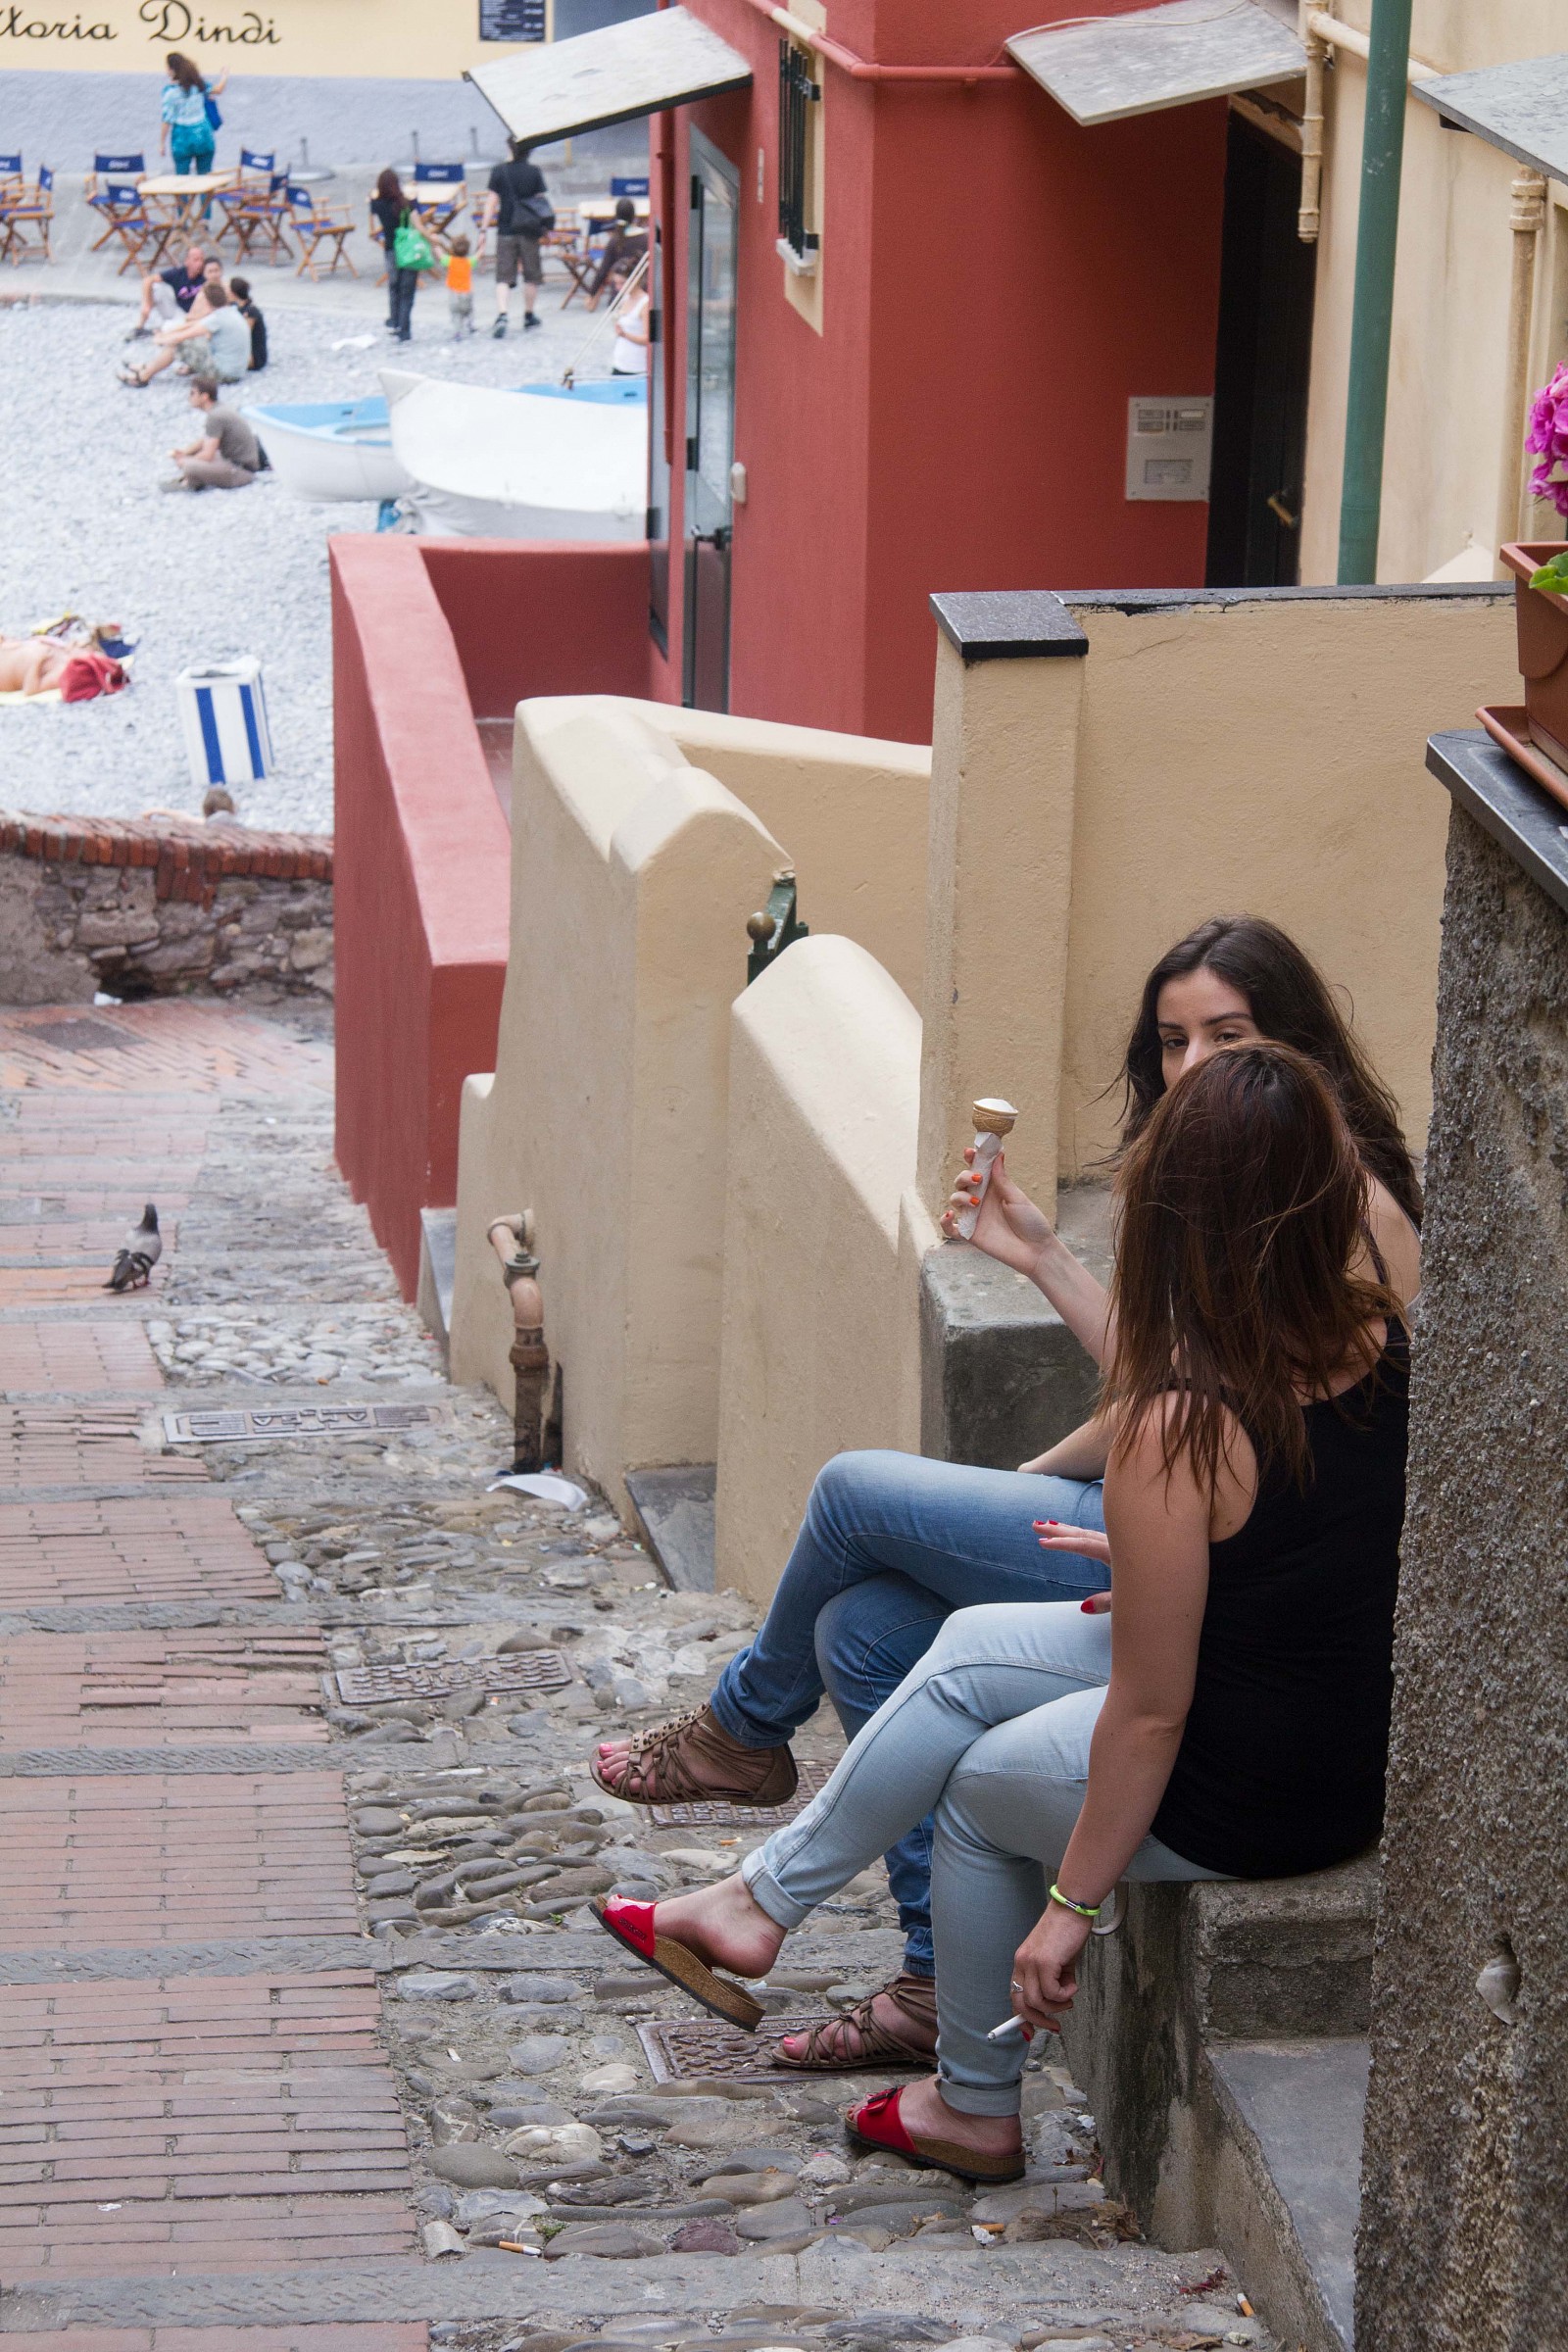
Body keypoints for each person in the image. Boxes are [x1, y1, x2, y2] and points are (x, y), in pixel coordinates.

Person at [593, 914, 1422, 2068]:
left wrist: (1071, 1907)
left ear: (1297, 1051)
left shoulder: (1345, 1213)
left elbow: (1227, 1451)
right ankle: (917, 1973)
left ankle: (743, 1739)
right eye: (1174, 1041)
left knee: (852, 1497)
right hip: (1202, 1557)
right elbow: (1193, 1396)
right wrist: (1043, 1260)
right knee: (867, 1626)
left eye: (1228, 1037)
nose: (1197, 1069)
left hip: (1242, 1651)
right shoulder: (1258, 1218)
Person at [481, 135, 552, 337]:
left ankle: (503, 313)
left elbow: (491, 203)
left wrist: (484, 230)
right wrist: (546, 228)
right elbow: (541, 204)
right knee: (531, 275)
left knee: (504, 275)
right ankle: (529, 315)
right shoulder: (534, 172)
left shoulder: (499, 171)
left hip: (506, 228)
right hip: (529, 230)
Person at [121, 279, 250, 387]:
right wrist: (166, 332)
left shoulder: (216, 318)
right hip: (236, 371)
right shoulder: (230, 312)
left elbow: (184, 336)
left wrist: (160, 339)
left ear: (207, 302)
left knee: (180, 344)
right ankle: (147, 367)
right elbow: (194, 325)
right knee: (197, 341)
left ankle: (143, 377)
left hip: (225, 374)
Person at [163, 377, 261, 492]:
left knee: (189, 466)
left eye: (193, 393)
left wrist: (186, 460)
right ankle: (193, 479)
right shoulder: (220, 409)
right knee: (195, 457)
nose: (189, 397)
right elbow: (207, 438)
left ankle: (190, 482)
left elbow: (207, 455)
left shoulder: (215, 417)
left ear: (204, 397)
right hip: (238, 462)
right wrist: (185, 452)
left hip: (240, 471)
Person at [158, 52, 227, 212]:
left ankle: (184, 218)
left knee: (181, 182)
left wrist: (162, 143)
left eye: (168, 68)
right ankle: (204, 219)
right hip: (204, 135)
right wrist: (224, 75)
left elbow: (166, 119)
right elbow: (218, 89)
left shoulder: (169, 92)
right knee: (205, 179)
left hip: (182, 138)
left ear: (172, 70)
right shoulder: (199, 85)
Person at [373, 168, 426, 343]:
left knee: (394, 287)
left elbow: (373, 197)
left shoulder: (377, 205)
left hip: (390, 249)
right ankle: (405, 328)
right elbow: (419, 226)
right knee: (407, 291)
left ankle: (394, 321)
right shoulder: (406, 204)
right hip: (408, 250)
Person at [0, 636, 127, 699]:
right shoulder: (62, 650)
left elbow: (30, 690)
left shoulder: (63, 671)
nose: (78, 643)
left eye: (84, 646)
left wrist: (38, 662)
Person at [130, 242, 207, 339]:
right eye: (196, 260)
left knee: (175, 329)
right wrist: (147, 304)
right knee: (157, 287)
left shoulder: (206, 275)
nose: (200, 263)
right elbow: (147, 280)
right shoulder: (178, 273)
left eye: (202, 260)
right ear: (187, 261)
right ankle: (139, 327)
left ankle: (157, 331)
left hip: (195, 315)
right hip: (178, 309)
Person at [586, 196, 647, 309]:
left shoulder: (615, 241)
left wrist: (592, 293)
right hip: (642, 292)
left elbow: (603, 271)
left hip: (619, 295)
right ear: (634, 215)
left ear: (617, 215)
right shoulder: (645, 238)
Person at [227, 276, 268, 371]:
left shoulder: (251, 311)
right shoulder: (236, 307)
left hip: (254, 356)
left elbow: (243, 335)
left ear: (233, 294)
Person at [611, 279, 650, 376]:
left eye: (622, 283)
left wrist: (625, 335)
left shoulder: (645, 303)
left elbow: (648, 339)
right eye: (616, 283)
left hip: (637, 366)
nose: (618, 287)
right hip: (620, 362)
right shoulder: (625, 298)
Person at [445, 232, 474, 337]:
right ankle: (470, 323)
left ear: (452, 249)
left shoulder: (449, 261)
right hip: (467, 292)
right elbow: (479, 254)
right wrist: (482, 245)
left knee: (456, 314)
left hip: (454, 293)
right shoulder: (469, 261)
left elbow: (439, 254)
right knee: (469, 310)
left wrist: (434, 243)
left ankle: (457, 331)